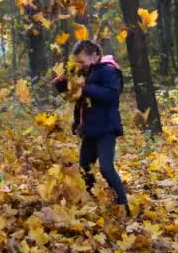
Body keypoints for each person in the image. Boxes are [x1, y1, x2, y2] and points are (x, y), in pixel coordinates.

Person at [53, 40, 130, 216]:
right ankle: (92, 199)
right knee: (84, 168)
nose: (80, 65)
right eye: (77, 62)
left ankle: (124, 206)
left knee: (106, 167)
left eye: (82, 61)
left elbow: (111, 95)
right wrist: (62, 86)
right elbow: (78, 99)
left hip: (106, 127)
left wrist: (85, 87)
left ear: (95, 55)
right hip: (89, 128)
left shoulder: (109, 70)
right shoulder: (85, 72)